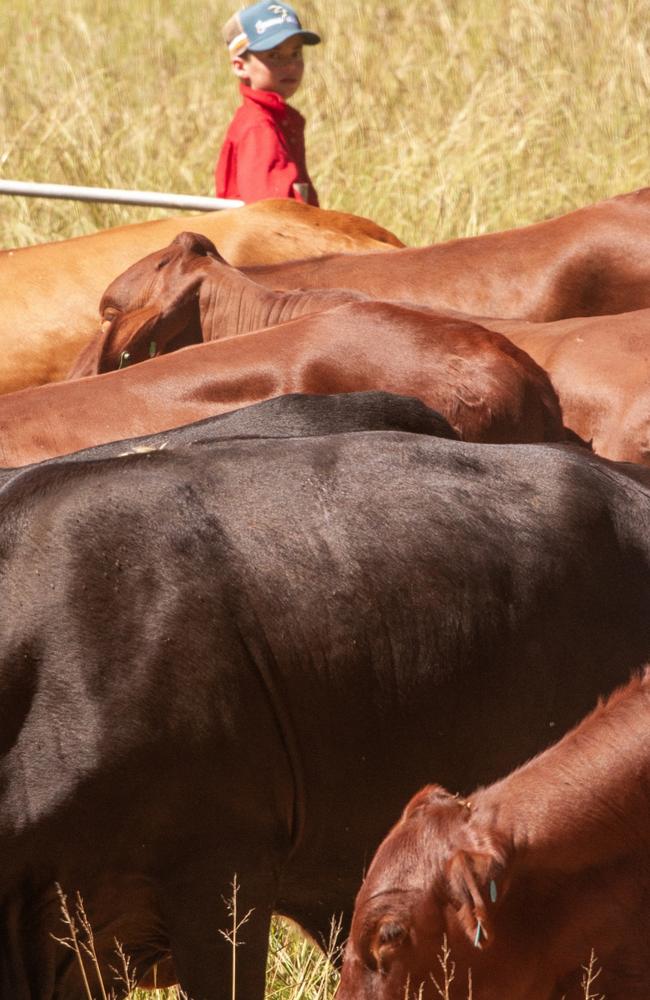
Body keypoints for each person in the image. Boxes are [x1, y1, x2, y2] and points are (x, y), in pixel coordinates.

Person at [215, 1, 321, 206]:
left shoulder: (276, 119)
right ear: (240, 66)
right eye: (274, 55)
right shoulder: (259, 127)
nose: (290, 64)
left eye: (295, 53)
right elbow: (271, 217)